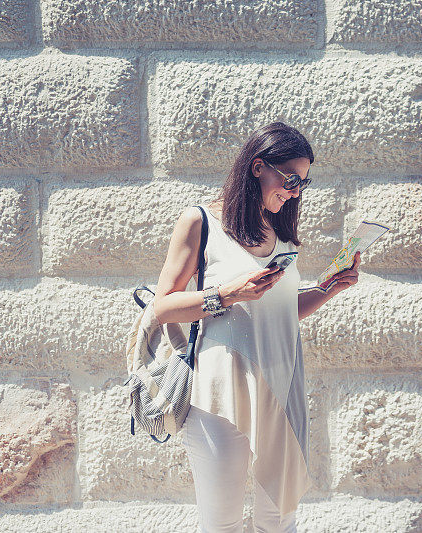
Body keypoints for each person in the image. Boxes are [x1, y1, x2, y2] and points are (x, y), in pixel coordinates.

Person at [152, 122, 361, 533]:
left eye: (304, 182)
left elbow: (276, 313)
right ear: (257, 167)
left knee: (279, 523)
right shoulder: (201, 222)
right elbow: (163, 308)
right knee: (222, 524)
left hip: (281, 389)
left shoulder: (281, 231)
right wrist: (227, 294)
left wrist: (327, 288)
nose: (296, 191)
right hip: (219, 392)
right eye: (291, 179)